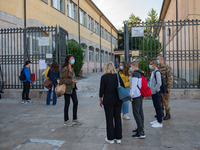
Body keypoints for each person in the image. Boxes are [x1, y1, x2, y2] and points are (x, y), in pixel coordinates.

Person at [99, 61, 124, 144]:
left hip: (108, 100)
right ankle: (118, 137)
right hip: (118, 100)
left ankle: (110, 138)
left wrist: (100, 100)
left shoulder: (104, 77)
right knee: (117, 117)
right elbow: (123, 86)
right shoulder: (117, 76)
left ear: (106, 68)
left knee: (109, 119)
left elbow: (101, 90)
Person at [59, 54, 82, 127]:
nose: (73, 60)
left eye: (73, 58)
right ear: (68, 60)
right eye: (72, 58)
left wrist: (74, 81)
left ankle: (74, 119)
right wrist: (71, 81)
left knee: (76, 102)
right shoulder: (65, 68)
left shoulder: (72, 67)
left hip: (73, 88)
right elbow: (61, 79)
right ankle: (66, 120)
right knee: (67, 104)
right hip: (67, 89)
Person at [130, 61, 146, 138]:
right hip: (140, 94)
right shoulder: (140, 73)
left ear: (134, 66)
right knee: (140, 112)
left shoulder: (135, 74)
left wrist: (131, 96)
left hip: (136, 96)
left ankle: (141, 132)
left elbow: (133, 87)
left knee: (136, 113)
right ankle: (140, 127)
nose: (130, 68)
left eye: (131, 66)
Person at [157, 56, 173, 120]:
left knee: (165, 100)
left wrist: (169, 87)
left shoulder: (167, 67)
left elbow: (170, 77)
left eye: (158, 59)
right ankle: (161, 113)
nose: (157, 60)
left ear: (162, 59)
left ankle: (168, 114)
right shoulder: (158, 67)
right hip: (159, 86)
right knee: (160, 100)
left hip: (165, 86)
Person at [149, 59, 163, 128]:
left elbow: (159, 83)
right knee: (155, 106)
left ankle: (160, 122)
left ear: (154, 65)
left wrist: (154, 90)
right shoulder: (153, 72)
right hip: (153, 93)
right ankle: (157, 119)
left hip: (156, 92)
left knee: (158, 106)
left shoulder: (157, 72)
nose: (150, 65)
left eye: (151, 64)